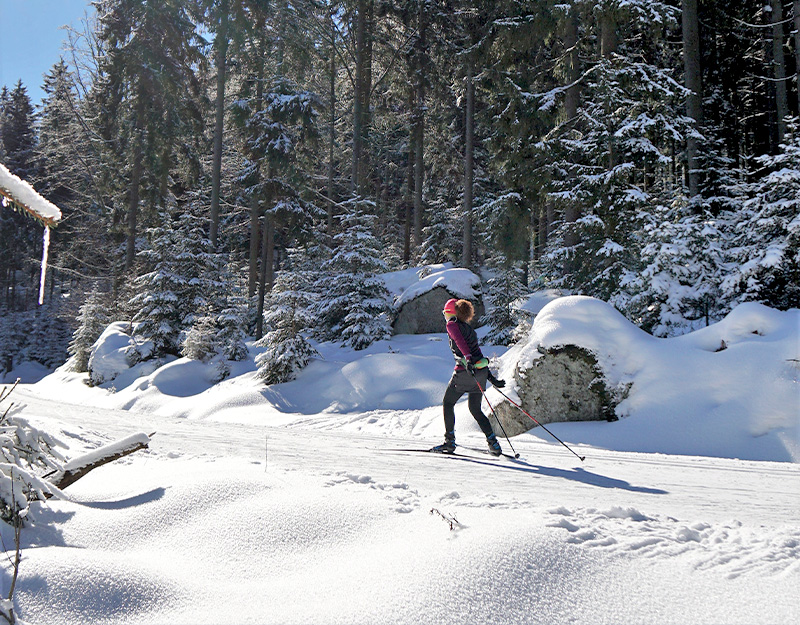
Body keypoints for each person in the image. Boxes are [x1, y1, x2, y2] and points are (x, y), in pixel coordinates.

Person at [433, 298, 506, 456]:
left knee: (448, 403)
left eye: (445, 312)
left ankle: (449, 442)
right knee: (475, 409)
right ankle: (494, 444)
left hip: (465, 371)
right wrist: (492, 379)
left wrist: (467, 358)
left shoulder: (451, 325)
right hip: (478, 373)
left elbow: (460, 343)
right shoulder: (469, 329)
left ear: (452, 313)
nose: (445, 315)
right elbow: (478, 353)